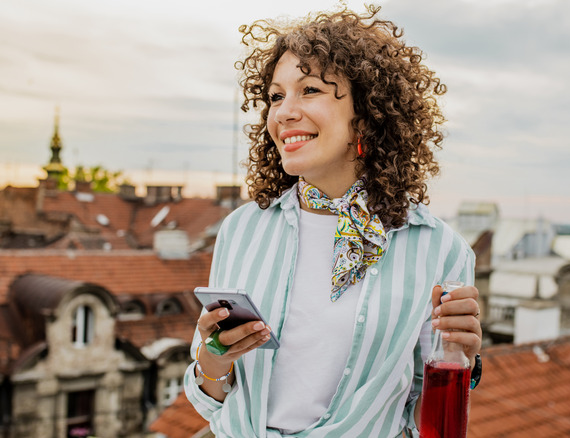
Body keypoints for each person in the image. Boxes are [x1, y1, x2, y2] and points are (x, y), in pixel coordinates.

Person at [185, 5, 482, 437]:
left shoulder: (440, 249)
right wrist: (213, 360)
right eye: (274, 96)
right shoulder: (242, 229)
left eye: (309, 90)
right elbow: (210, 401)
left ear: (366, 113)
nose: (284, 111)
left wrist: (462, 364)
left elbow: (428, 424)